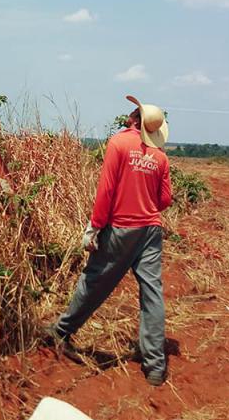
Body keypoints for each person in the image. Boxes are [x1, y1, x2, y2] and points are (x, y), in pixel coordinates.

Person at [45, 94, 172, 386]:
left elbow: (106, 189)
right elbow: (165, 200)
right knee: (152, 294)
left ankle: (61, 331)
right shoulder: (161, 157)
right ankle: (155, 367)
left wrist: (95, 227)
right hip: (151, 231)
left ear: (133, 120)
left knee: (94, 280)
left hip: (121, 228)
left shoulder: (119, 143)